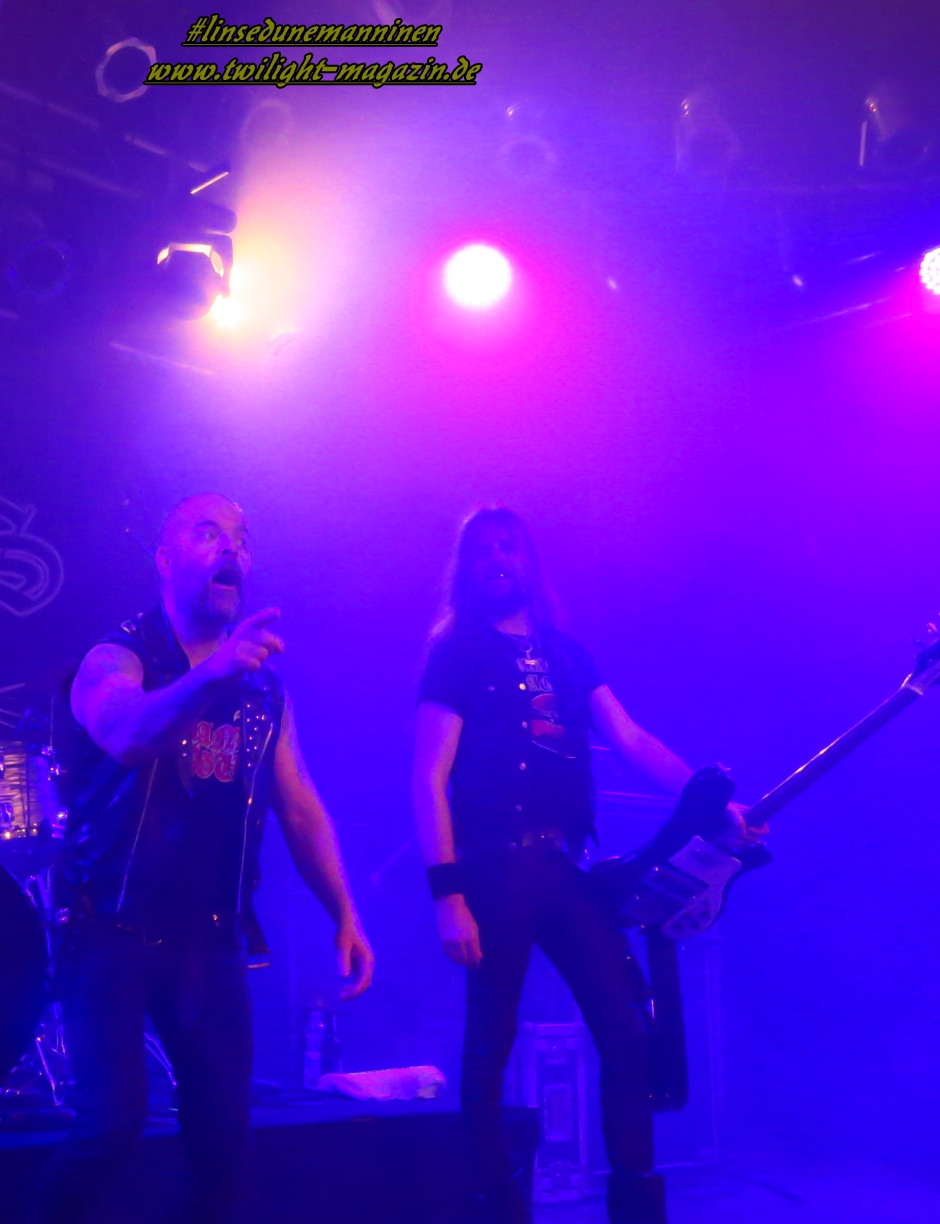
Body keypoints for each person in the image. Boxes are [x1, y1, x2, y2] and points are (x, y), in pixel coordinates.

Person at [411, 506, 762, 1224]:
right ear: (467, 568)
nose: (499, 557)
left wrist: (713, 802)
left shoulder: (568, 655)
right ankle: (499, 1210)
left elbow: (631, 739)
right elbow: (427, 776)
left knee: (627, 1032)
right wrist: (447, 894)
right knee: (489, 1047)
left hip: (559, 868)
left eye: (510, 546)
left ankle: (635, 1205)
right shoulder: (456, 653)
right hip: (490, 871)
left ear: (530, 561)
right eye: (484, 549)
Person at [38, 492, 375, 1224]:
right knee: (110, 1126)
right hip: (109, 934)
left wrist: (345, 912)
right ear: (164, 559)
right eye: (208, 533)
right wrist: (206, 676)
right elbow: (124, 732)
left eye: (242, 539)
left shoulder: (262, 689)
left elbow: (300, 806)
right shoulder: (116, 656)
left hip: (210, 943)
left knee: (223, 1151)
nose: (231, 548)